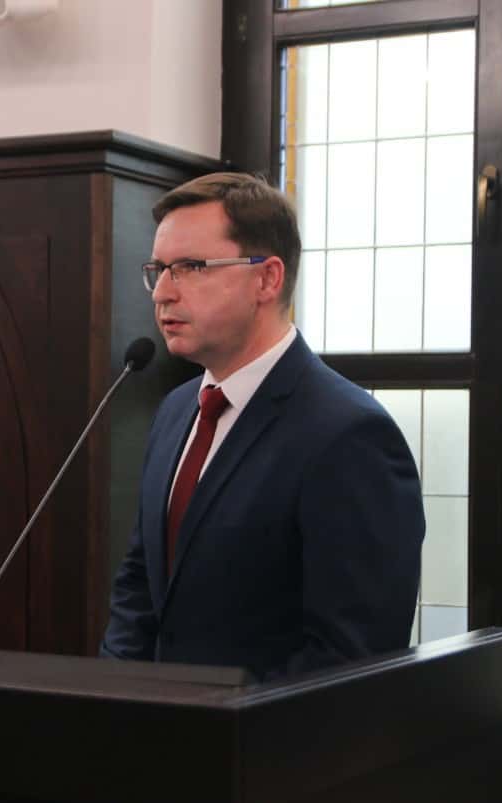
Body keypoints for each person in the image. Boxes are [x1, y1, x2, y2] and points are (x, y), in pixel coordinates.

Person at [100, 172, 425, 681]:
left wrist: (222, 719)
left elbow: (350, 655)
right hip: (156, 722)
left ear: (267, 279)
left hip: (262, 729)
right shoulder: (176, 411)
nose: (162, 292)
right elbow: (140, 588)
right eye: (159, 270)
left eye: (190, 268)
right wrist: (113, 699)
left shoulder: (349, 434)